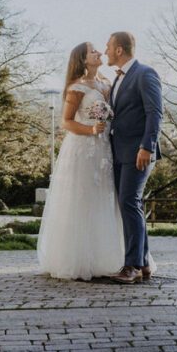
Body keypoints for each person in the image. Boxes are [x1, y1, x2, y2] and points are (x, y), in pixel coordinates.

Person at [36, 42, 124, 280]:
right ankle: (79, 258)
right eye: (93, 51)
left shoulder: (107, 82)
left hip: (105, 148)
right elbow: (65, 122)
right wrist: (92, 129)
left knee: (104, 197)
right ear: (83, 60)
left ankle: (106, 256)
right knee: (83, 197)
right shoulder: (76, 87)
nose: (98, 53)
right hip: (84, 147)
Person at [105, 31, 162, 284]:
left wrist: (147, 147)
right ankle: (144, 263)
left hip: (138, 152)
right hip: (118, 152)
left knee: (129, 201)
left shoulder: (145, 73)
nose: (106, 51)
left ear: (119, 50)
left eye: (108, 47)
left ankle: (132, 266)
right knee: (131, 205)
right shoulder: (117, 80)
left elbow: (155, 112)